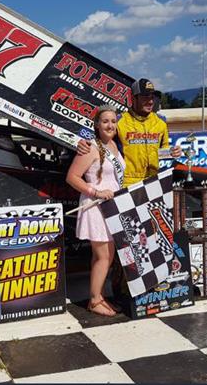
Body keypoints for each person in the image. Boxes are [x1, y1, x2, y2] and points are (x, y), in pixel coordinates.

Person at [66, 104, 125, 317]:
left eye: (113, 121)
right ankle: (94, 300)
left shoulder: (115, 147)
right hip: (96, 207)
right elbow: (72, 177)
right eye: (105, 121)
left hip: (111, 207)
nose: (110, 125)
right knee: (104, 256)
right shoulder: (90, 147)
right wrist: (95, 192)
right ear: (97, 125)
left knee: (101, 256)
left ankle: (98, 294)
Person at [78, 78, 181, 187]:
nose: (150, 101)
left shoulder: (161, 122)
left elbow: (163, 150)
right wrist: (84, 143)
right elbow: (100, 140)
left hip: (153, 180)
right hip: (127, 182)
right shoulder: (120, 121)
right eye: (145, 97)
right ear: (133, 98)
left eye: (152, 97)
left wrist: (172, 152)